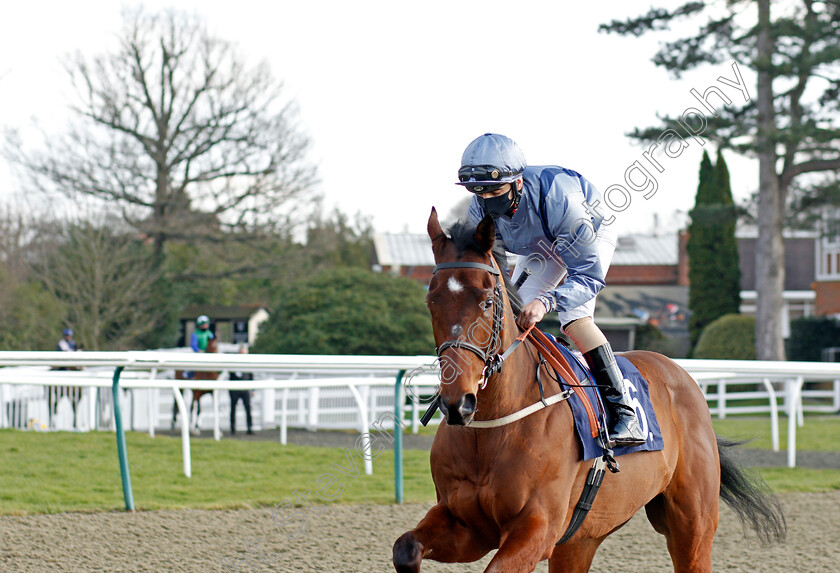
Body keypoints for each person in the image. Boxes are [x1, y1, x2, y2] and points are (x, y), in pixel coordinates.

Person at [458, 133, 644, 446]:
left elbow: (588, 276)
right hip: (539, 241)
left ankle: (624, 411)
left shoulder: (561, 199)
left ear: (517, 183)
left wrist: (546, 302)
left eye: (494, 190)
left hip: (585, 232)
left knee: (574, 316)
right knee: (513, 315)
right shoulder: (478, 210)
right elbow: (484, 269)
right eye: (479, 192)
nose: (487, 200)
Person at [228, 344, 254, 435]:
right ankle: (232, 428)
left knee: (248, 408)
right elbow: (230, 376)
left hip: (245, 389)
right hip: (235, 389)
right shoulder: (233, 363)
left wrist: (253, 389)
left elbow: (251, 376)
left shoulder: (249, 363)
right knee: (233, 409)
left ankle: (250, 428)